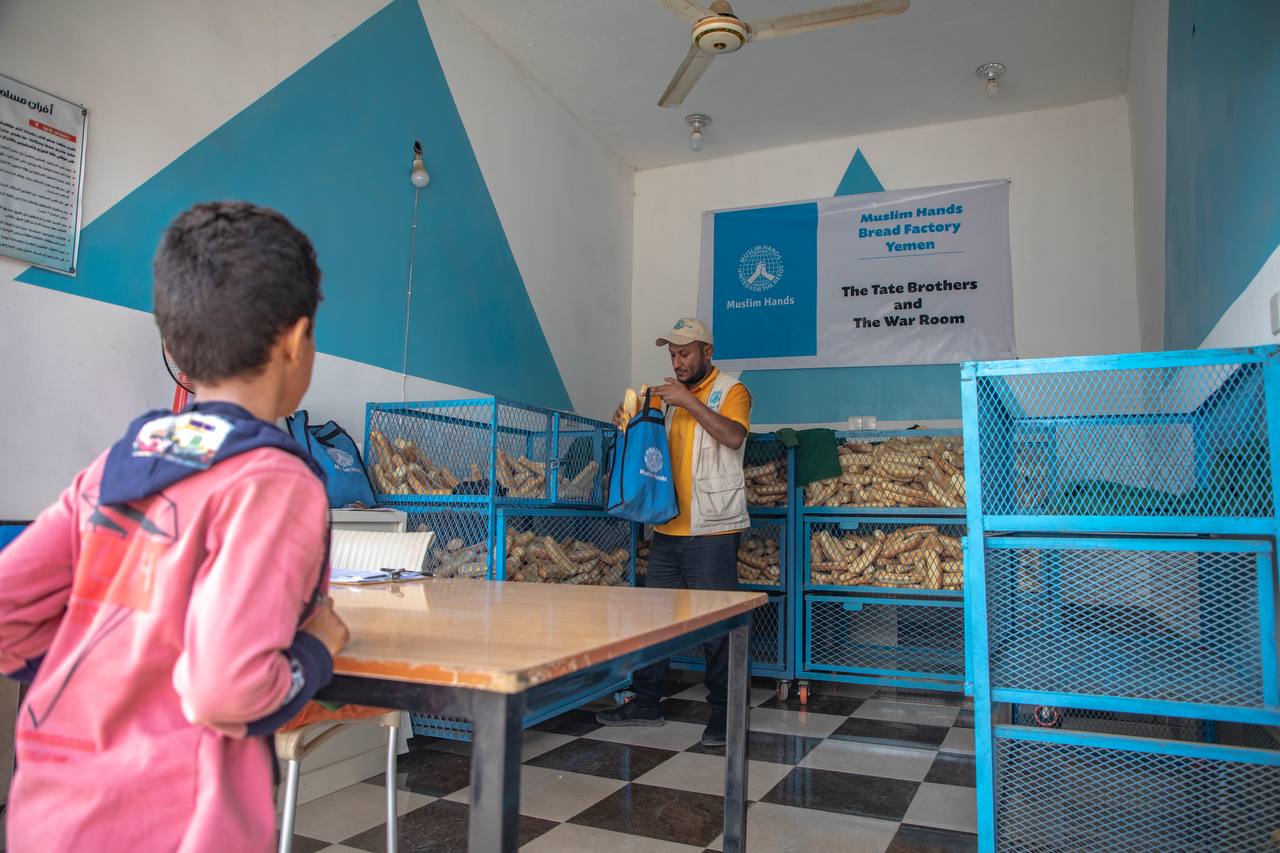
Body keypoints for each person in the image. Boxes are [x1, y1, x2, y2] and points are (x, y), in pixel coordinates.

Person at [0, 201, 349, 852]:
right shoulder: (275, 482)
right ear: (296, 341)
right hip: (177, 827)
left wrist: (118, 666)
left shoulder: (116, 464)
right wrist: (316, 649)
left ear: (173, 345)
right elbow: (226, 689)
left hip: (46, 818)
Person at [597, 318, 751, 747]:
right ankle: (646, 701)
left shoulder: (732, 391)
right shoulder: (660, 397)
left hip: (713, 527)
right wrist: (626, 422)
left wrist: (688, 401)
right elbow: (644, 448)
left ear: (707, 352)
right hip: (667, 525)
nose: (677, 361)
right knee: (655, 620)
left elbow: (733, 437)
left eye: (685, 353)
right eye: (672, 354)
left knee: (717, 623)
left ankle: (725, 711)